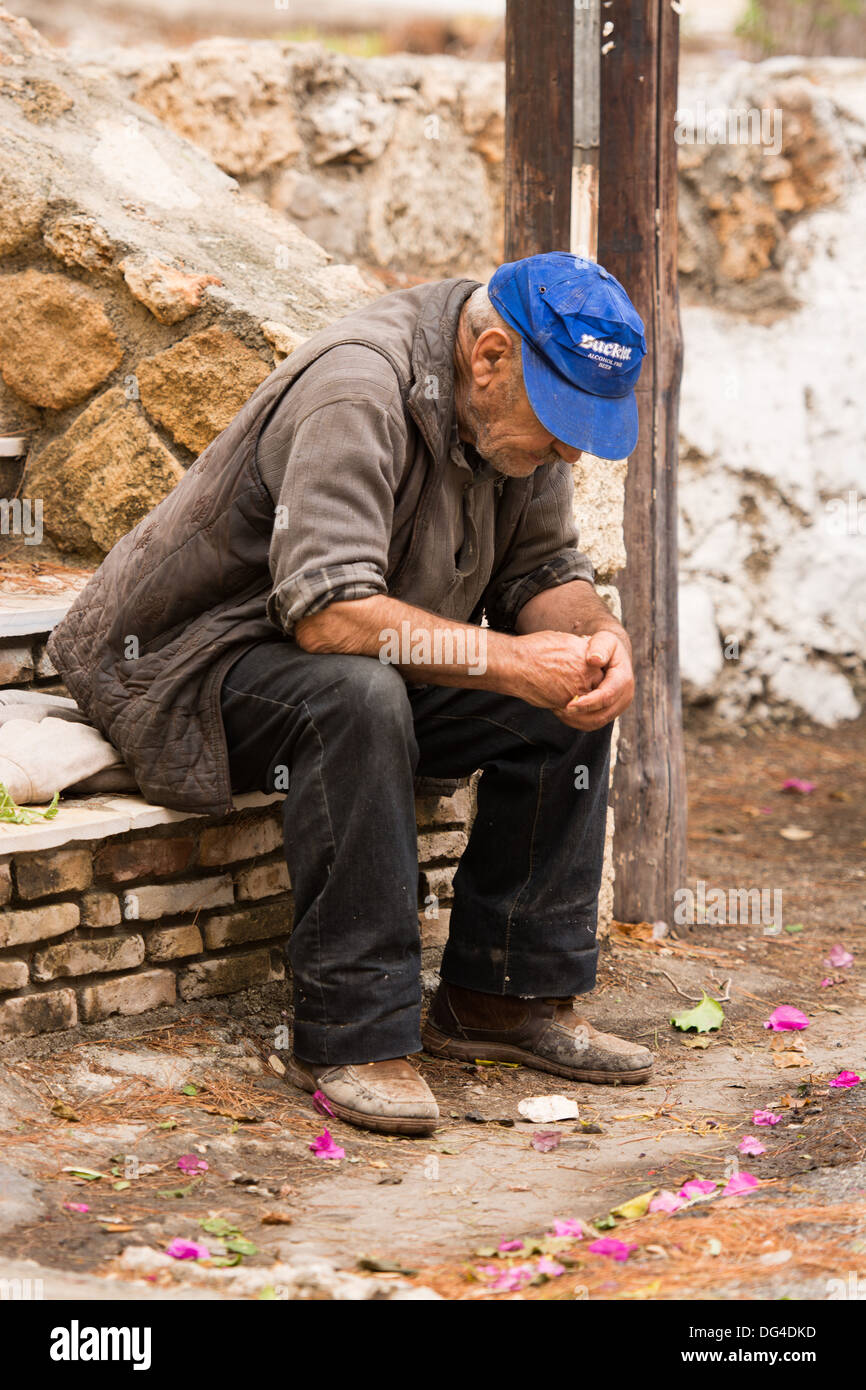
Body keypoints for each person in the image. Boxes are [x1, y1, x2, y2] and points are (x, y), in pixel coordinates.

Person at [49, 252, 653, 1136]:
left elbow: (544, 573)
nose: (568, 446)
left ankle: (502, 996)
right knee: (356, 696)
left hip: (355, 651)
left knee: (558, 699)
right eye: (560, 419)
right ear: (489, 356)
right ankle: (348, 1035)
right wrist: (514, 660)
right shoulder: (358, 388)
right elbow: (327, 614)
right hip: (188, 664)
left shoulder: (515, 412)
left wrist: (602, 643)